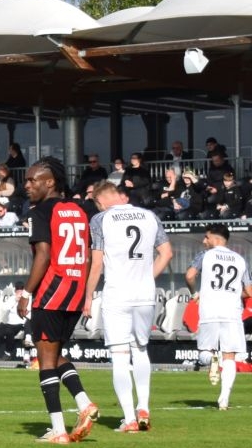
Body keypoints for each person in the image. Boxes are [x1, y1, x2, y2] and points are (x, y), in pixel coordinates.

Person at [20, 158, 99, 443]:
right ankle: (84, 404)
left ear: (50, 181)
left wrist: (27, 292)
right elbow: (88, 255)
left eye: (32, 180)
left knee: (45, 360)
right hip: (75, 291)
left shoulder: (39, 212)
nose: (27, 185)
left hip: (51, 291)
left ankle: (58, 429)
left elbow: (43, 254)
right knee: (54, 354)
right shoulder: (80, 210)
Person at [84, 181, 172, 431]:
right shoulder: (150, 216)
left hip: (117, 294)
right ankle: (143, 406)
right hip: (145, 294)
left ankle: (129, 419)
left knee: (120, 356)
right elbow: (166, 253)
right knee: (141, 350)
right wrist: (147, 278)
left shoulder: (101, 220)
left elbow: (97, 262)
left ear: (100, 201)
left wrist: (88, 295)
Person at [185, 224, 248, 410]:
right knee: (230, 356)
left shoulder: (205, 256)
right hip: (232, 312)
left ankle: (213, 360)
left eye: (206, 237)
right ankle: (224, 399)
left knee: (205, 351)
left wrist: (195, 293)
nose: (204, 241)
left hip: (210, 311)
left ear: (216, 238)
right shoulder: (240, 259)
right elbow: (249, 291)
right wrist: (234, 294)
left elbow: (189, 275)